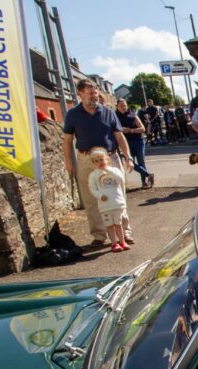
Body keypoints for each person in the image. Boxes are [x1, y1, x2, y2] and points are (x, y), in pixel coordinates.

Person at [62, 78, 135, 246]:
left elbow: (119, 136)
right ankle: (99, 235)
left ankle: (125, 232)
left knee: (117, 195)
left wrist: (128, 157)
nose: (94, 97)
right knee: (90, 198)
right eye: (90, 94)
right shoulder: (73, 114)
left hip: (109, 157)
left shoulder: (108, 112)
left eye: (95, 94)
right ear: (80, 94)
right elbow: (67, 140)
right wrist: (69, 161)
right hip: (87, 159)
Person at [88, 148, 129, 253]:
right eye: (96, 161)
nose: (99, 162)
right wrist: (100, 195)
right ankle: (114, 243)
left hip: (117, 203)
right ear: (93, 163)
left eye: (101, 159)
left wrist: (109, 170)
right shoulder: (93, 175)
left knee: (118, 224)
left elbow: (121, 180)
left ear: (107, 159)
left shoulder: (114, 171)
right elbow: (92, 188)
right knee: (109, 225)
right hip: (105, 205)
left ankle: (122, 241)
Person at [115, 98, 154, 189]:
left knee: (141, 161)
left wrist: (131, 130)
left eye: (124, 105)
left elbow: (143, 129)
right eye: (121, 106)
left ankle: (144, 182)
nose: (123, 107)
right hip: (126, 142)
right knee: (129, 161)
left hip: (138, 141)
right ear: (117, 106)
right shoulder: (114, 116)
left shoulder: (132, 114)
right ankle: (148, 174)